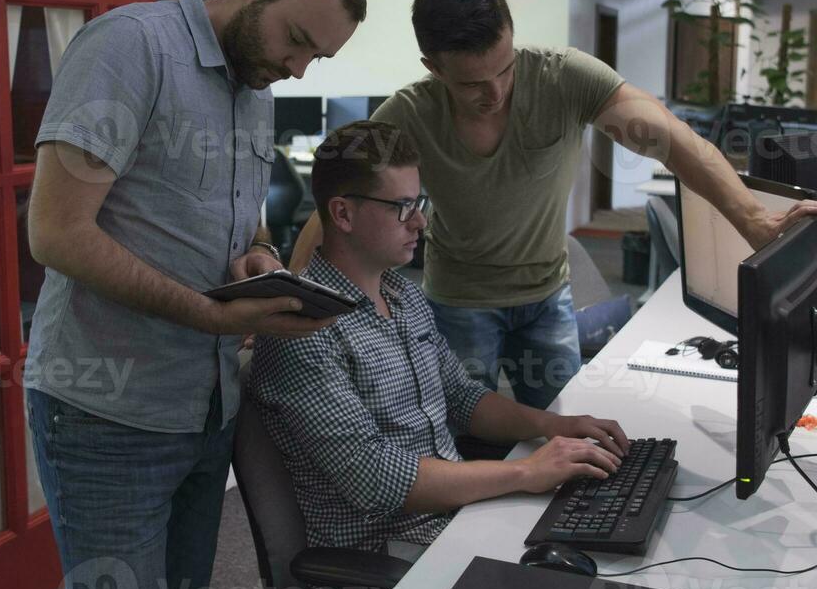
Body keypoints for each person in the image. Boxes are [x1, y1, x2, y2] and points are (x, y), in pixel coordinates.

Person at [23, 0, 365, 589]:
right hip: (104, 413)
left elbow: (246, 219)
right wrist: (211, 314)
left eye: (317, 58)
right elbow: (55, 234)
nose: (296, 67)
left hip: (205, 409)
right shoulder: (130, 48)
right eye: (296, 39)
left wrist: (262, 257)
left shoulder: (255, 83)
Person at [291, 0, 817, 409]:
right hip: (459, 300)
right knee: (463, 436)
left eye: (504, 70)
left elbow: (675, 142)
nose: (496, 92)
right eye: (472, 84)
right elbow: (335, 208)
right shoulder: (409, 114)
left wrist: (752, 219)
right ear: (432, 67)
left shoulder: (564, 79)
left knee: (559, 426)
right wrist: (293, 295)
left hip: (548, 296)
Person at [250, 121, 630, 557]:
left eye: (420, 202)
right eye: (402, 206)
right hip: (386, 555)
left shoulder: (404, 295)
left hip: (458, 518)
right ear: (343, 214)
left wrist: (552, 425)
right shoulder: (302, 330)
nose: (419, 221)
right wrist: (526, 472)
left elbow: (462, 397)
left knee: (607, 540)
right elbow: (375, 478)